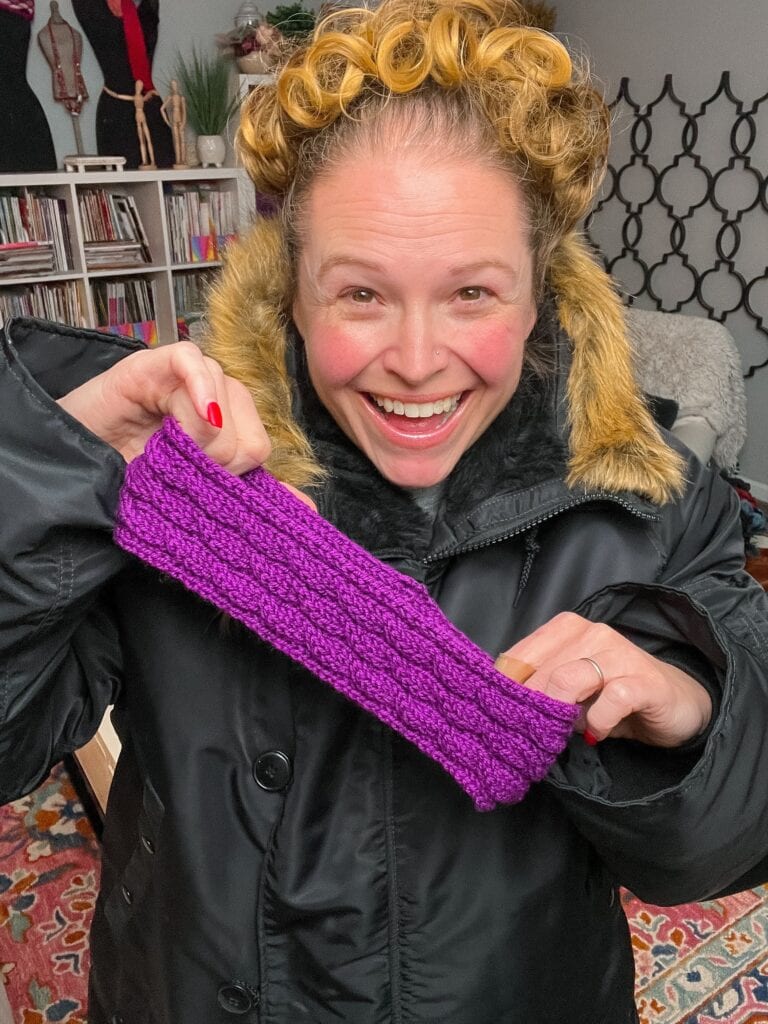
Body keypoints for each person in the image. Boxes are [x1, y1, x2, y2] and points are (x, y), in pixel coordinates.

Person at [2, 1, 768, 1021]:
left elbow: (727, 844)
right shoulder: (179, 470)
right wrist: (52, 482)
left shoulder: (654, 497)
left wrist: (695, 714)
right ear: (294, 292)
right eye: (361, 294)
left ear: (538, 292)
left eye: (472, 295)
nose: (415, 361)